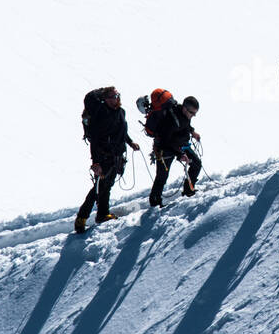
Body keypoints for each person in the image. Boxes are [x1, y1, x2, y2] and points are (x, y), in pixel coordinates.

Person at [77, 86, 141, 233]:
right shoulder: (101, 116)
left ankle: (102, 214)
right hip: (103, 156)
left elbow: (122, 131)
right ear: (105, 99)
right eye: (112, 97)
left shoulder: (120, 112)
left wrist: (130, 143)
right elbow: (95, 140)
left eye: (117, 95)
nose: (116, 99)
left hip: (116, 155)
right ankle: (82, 218)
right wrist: (95, 163)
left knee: (106, 186)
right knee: (98, 188)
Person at [148, 95, 202, 207]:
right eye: (192, 113)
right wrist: (180, 154)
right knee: (162, 176)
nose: (193, 116)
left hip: (180, 145)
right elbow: (166, 141)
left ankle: (188, 191)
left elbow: (186, 124)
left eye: (194, 113)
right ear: (185, 108)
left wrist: (192, 132)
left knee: (196, 164)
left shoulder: (183, 115)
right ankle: (155, 202)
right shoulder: (171, 119)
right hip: (165, 149)